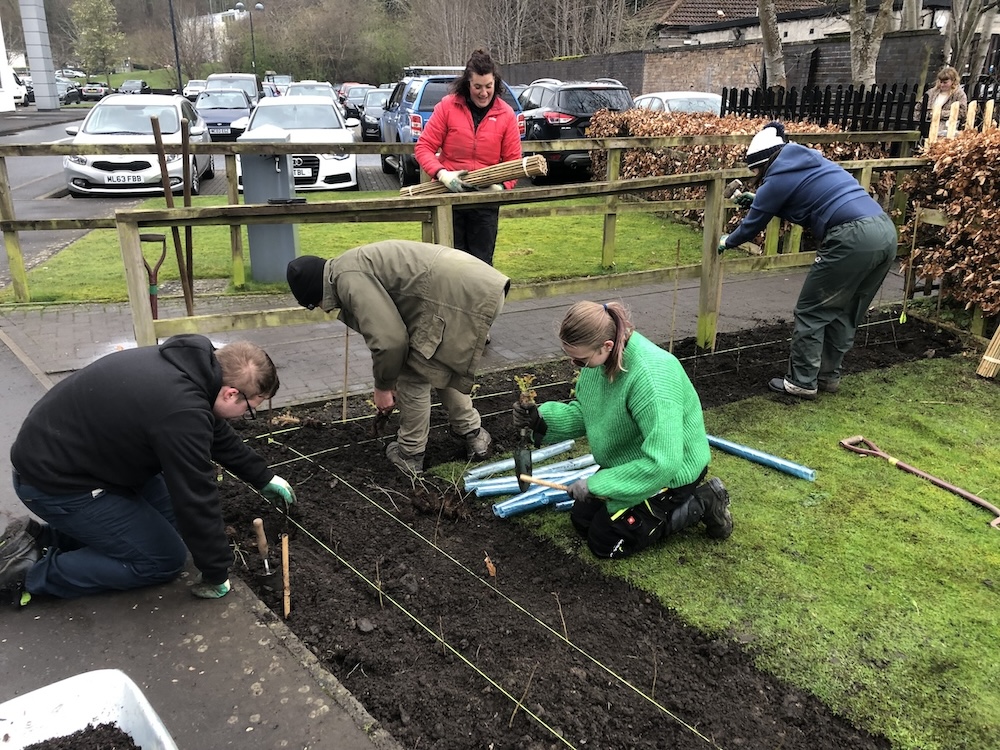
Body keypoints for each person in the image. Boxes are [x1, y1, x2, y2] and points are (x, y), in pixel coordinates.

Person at [1, 336, 296, 604]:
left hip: (81, 458)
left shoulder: (191, 368)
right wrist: (217, 571)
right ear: (231, 394)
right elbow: (194, 496)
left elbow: (215, 432)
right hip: (55, 483)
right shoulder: (180, 412)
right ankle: (28, 574)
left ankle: (43, 539)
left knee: (167, 527)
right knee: (163, 559)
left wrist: (263, 476)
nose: (246, 416)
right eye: (250, 408)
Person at [512, 301, 732, 559]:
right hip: (631, 459)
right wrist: (540, 420)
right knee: (582, 520)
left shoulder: (652, 380)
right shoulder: (602, 361)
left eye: (580, 360)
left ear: (606, 346)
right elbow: (588, 412)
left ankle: (703, 501)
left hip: (670, 472)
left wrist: (596, 484)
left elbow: (663, 463)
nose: (575, 364)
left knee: (605, 542)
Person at [286, 240, 510, 476]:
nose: (323, 309)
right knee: (439, 363)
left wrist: (383, 386)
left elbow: (390, 341)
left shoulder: (348, 280)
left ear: (316, 293)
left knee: (412, 372)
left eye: (316, 305)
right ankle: (475, 436)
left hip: (464, 295)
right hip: (480, 287)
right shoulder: (348, 266)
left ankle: (410, 454)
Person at [719, 121, 897, 399]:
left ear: (765, 164)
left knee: (812, 310)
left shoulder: (776, 177)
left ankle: (801, 381)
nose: (756, 178)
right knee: (846, 309)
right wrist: (757, 199)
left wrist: (727, 241)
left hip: (852, 236)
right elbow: (808, 201)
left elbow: (752, 226)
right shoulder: (810, 162)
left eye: (756, 173)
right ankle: (827, 376)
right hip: (884, 232)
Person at [414, 48, 522, 266]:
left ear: (496, 83)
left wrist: (500, 187)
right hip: (449, 200)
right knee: (450, 266)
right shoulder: (447, 107)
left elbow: (513, 162)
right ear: (467, 83)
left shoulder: (506, 114)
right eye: (477, 87)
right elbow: (424, 146)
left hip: (485, 204)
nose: (483, 93)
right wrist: (442, 174)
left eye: (488, 86)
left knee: (481, 268)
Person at [918, 65, 968, 137]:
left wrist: (940, 114)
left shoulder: (959, 94)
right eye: (940, 82)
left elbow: (962, 112)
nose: (942, 85)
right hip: (927, 127)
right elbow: (919, 107)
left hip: (946, 129)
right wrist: (919, 122)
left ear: (953, 81)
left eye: (945, 82)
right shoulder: (931, 92)